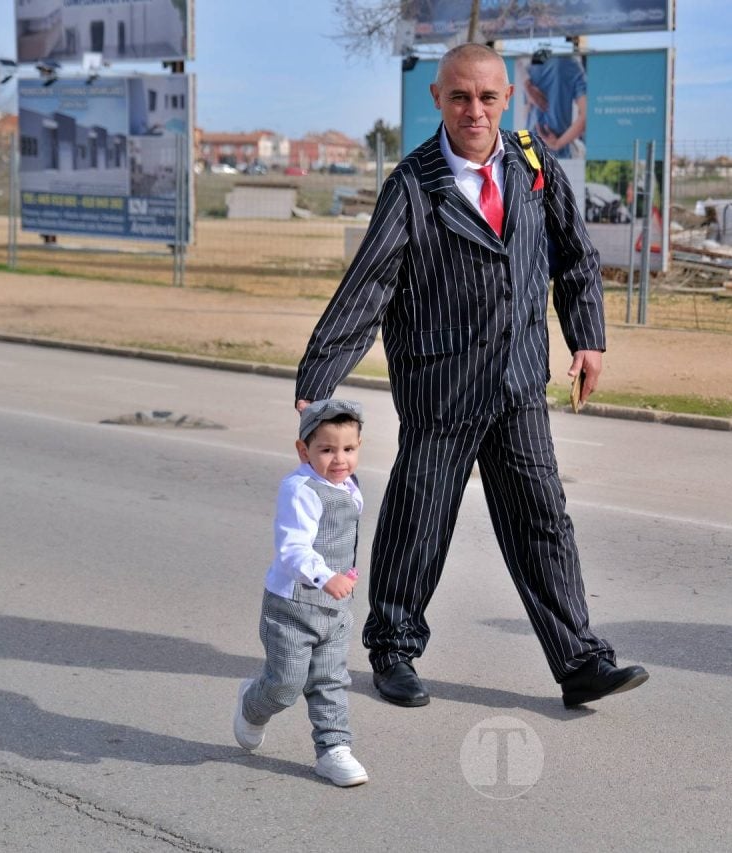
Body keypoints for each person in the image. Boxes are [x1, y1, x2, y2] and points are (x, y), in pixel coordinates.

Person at [294, 42, 648, 710]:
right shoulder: (413, 184)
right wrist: (318, 381)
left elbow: (574, 257)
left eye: (487, 97)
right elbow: (369, 287)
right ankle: (393, 648)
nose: (474, 110)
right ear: (437, 99)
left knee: (544, 519)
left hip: (518, 384)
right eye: (459, 97)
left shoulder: (533, 165)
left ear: (508, 98)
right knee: (419, 520)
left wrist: (588, 340)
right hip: (442, 388)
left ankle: (578, 660)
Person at [232, 399, 369, 787]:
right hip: (292, 606)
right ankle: (253, 704)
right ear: (303, 450)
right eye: (326, 450)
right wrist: (325, 576)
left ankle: (333, 750)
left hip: (335, 607)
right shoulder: (299, 489)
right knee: (285, 686)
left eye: (349, 449)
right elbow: (293, 550)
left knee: (331, 679)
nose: (339, 459)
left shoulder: (347, 484)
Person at [523, 54, 587, 159]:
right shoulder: (571, 63)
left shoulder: (531, 64)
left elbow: (527, 111)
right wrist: (557, 144)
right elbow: (587, 115)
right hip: (557, 154)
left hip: (528, 151)